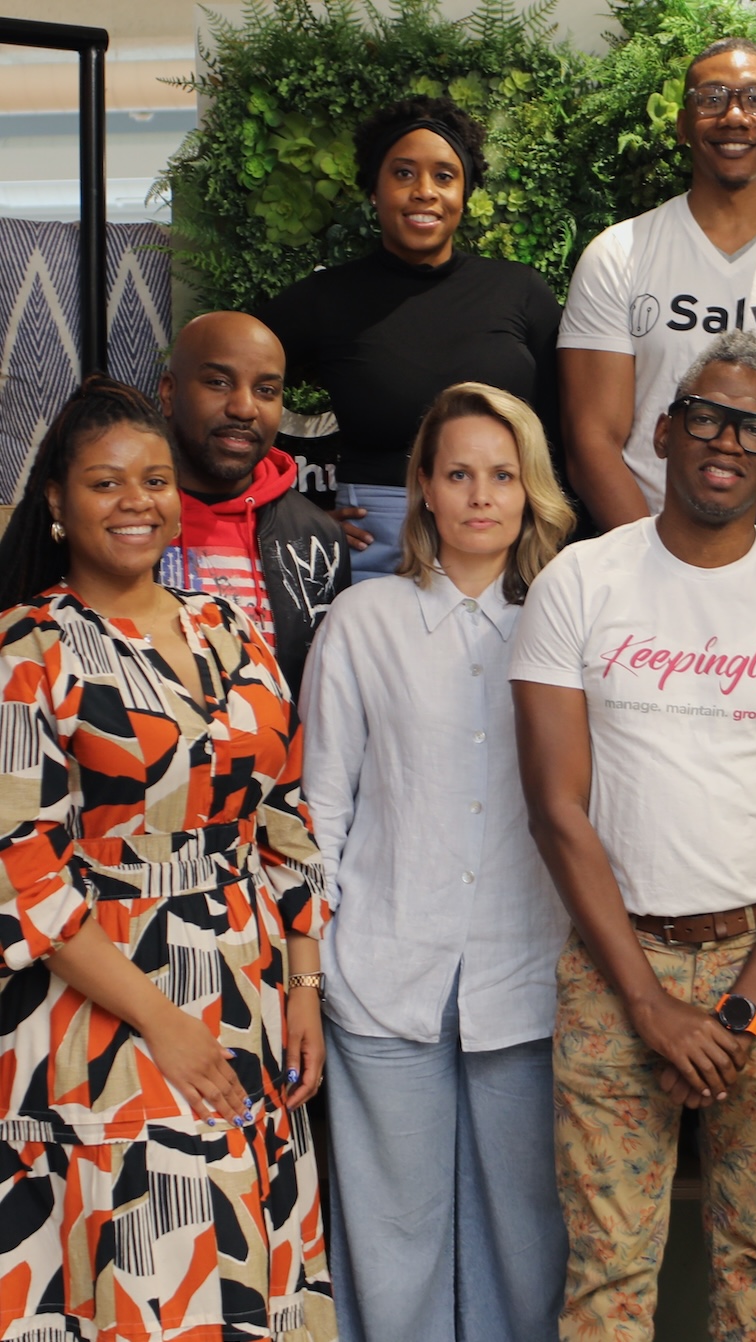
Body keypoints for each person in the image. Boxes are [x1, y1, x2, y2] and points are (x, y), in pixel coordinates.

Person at [511, 331, 756, 1341]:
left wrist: (741, 1011)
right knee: (608, 1274)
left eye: (755, 426)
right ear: (664, 432)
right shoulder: (579, 585)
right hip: (614, 960)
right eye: (707, 416)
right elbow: (557, 810)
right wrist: (651, 1006)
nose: (727, 440)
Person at [0, 376, 334, 1341]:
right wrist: (166, 1025)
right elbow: (26, 877)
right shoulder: (28, 652)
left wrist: (303, 986)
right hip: (107, 1014)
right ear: (58, 503)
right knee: (153, 1272)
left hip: (252, 994)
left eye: (153, 479)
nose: (136, 501)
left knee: (246, 1269)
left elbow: (286, 816)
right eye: (106, 483)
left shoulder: (231, 631)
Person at [298, 382, 576, 1342]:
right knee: (392, 1242)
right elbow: (320, 810)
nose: (480, 496)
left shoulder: (565, 624)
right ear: (421, 487)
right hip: (382, 972)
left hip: (527, 973)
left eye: (503, 475)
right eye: (457, 473)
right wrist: (315, 964)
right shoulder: (361, 621)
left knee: (526, 1242)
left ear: (531, 489)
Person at [558, 37, 756, 530]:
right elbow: (591, 443)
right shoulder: (617, 254)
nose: (735, 115)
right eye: (711, 98)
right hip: (645, 553)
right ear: (683, 124)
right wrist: (651, 564)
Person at [256, 95, 562, 579]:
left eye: (444, 175)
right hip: (377, 557)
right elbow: (227, 393)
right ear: (373, 191)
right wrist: (288, 515)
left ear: (465, 192)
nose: (424, 191)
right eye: (403, 173)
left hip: (508, 554)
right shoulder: (327, 298)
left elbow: (562, 433)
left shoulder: (520, 292)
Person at [158, 310, 350, 691]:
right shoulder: (127, 519)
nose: (244, 408)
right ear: (169, 392)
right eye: (218, 382)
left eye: (266, 390)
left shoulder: (315, 538)